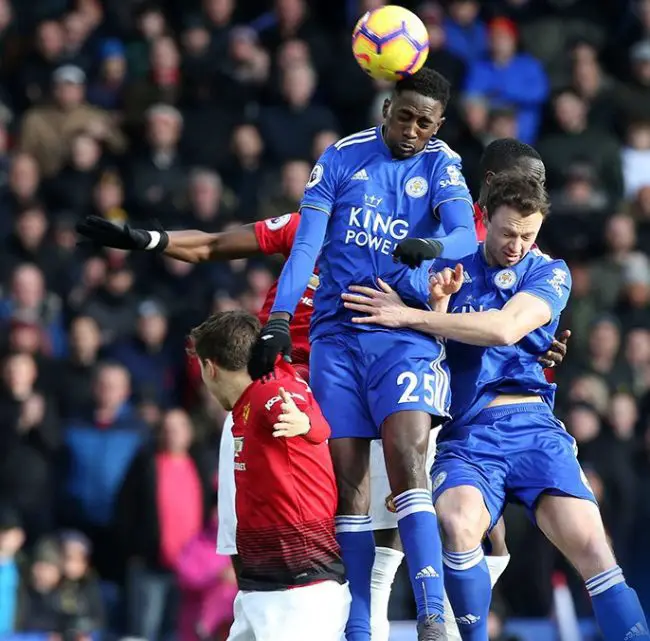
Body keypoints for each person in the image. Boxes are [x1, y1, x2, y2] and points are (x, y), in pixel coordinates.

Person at [75, 137, 570, 641]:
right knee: (261, 544)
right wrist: (150, 240)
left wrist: (533, 345)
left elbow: (479, 320)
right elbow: (215, 245)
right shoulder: (319, 225)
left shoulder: (443, 244)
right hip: (281, 392)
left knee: (393, 536)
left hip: (364, 393)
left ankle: (416, 619)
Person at [340, 170, 650, 641]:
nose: (517, 246)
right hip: (467, 435)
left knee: (595, 549)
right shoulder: (448, 267)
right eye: (507, 233)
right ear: (484, 218)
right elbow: (430, 352)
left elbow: (504, 329)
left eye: (528, 234)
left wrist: (408, 315)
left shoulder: (550, 271)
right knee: (457, 523)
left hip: (531, 426)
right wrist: (434, 308)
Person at [189, 310, 350, 641]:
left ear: (209, 367)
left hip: (298, 593)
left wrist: (307, 424)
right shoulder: (247, 403)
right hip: (263, 590)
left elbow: (309, 418)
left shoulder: (271, 392)